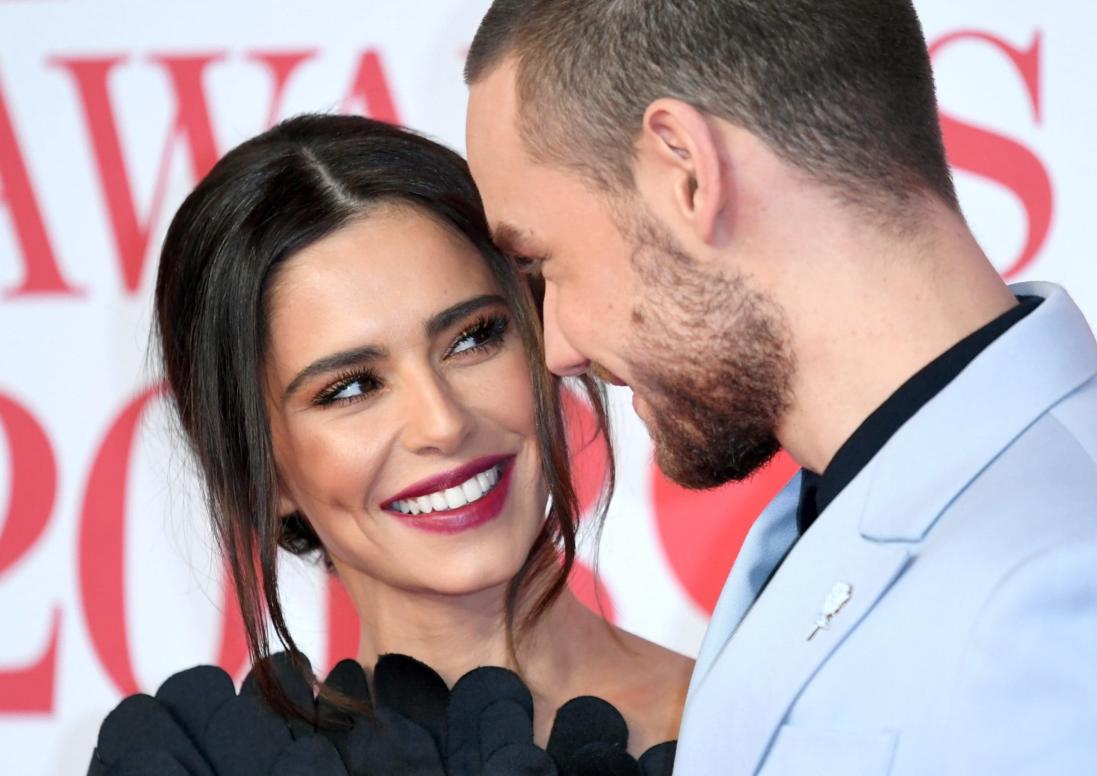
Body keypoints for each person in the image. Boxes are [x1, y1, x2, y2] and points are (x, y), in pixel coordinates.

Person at [462, 1, 1097, 773]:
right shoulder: (870, 500)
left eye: (543, 264)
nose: (558, 346)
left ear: (687, 171)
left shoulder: (1065, 604)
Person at [89, 113, 690, 774]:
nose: (442, 422)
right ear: (264, 472)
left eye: (472, 338)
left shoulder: (762, 721)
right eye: (350, 389)